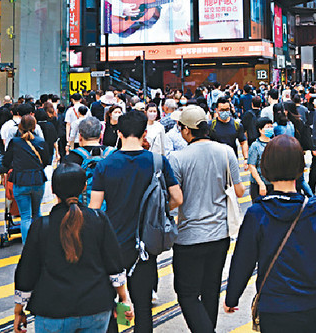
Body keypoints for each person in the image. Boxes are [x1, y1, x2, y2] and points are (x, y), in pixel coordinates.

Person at [224, 135, 316, 332]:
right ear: (301, 168)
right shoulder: (315, 210)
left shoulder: (257, 213)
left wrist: (232, 297)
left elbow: (243, 261)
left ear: (266, 168)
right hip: (312, 306)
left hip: (273, 306)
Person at [89, 110, 183, 333]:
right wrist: (158, 212)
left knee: (115, 301)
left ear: (118, 132)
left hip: (112, 244)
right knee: (142, 305)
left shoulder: (105, 165)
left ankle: (122, 324)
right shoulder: (158, 162)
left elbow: (94, 209)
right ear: (144, 133)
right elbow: (177, 198)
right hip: (145, 245)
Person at [13, 164, 132, 333]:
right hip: (96, 309)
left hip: (52, 311)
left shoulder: (41, 227)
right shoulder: (99, 220)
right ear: (84, 186)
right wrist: (124, 298)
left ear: (53, 189)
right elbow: (114, 266)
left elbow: (26, 272)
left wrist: (19, 310)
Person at [168, 105, 245, 332]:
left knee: (187, 293)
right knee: (211, 290)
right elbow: (239, 190)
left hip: (189, 237)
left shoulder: (177, 158)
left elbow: (175, 199)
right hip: (220, 235)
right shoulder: (226, 152)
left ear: (186, 130)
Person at [2, 114, 52, 243]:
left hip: (20, 180)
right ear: (35, 126)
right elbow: (47, 161)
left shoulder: (15, 142)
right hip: (38, 180)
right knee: (37, 213)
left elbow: (6, 161)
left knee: (25, 217)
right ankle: (40, 243)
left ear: (20, 126)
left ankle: (27, 247)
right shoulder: (40, 141)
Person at [208, 98, 248, 162]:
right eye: (222, 110)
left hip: (232, 160)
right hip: (216, 161)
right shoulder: (211, 125)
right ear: (217, 110)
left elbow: (243, 142)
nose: (225, 112)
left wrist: (246, 158)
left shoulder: (237, 125)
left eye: (227, 109)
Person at [248, 117, 274, 202]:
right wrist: (261, 184)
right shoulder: (255, 146)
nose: (270, 129)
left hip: (273, 184)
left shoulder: (274, 143)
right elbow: (252, 166)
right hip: (259, 184)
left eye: (271, 126)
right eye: (267, 127)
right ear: (260, 130)